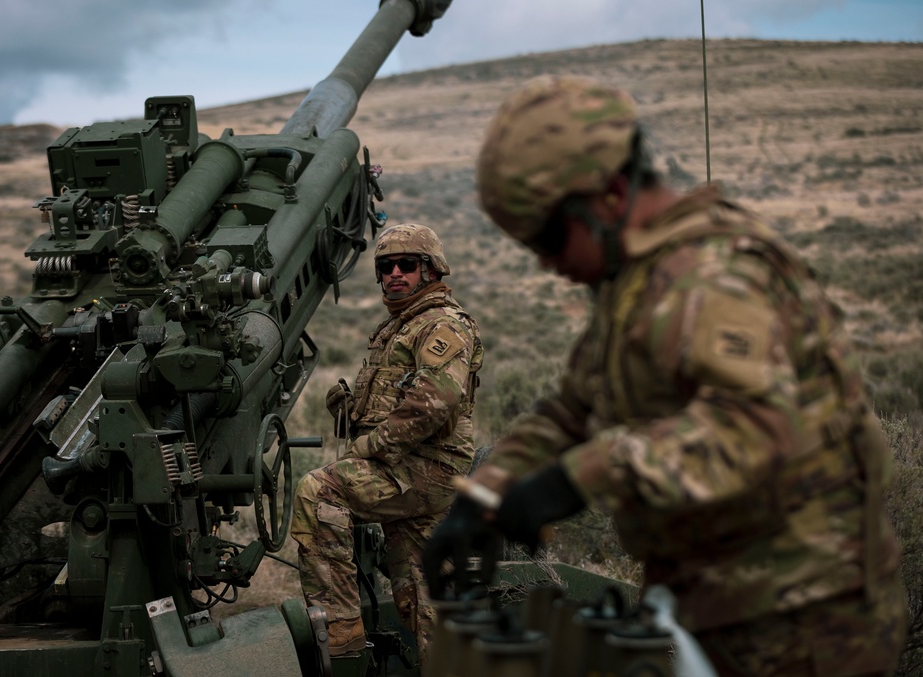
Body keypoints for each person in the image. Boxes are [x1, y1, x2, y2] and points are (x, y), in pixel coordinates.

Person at [425, 75, 907, 676]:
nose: (549, 263)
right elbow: (570, 410)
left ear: (609, 196)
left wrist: (577, 479)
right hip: (714, 605)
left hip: (806, 618)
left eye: (550, 237)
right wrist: (483, 498)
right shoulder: (635, 281)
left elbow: (752, 428)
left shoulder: (714, 275)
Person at [290, 223, 483, 663]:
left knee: (318, 492)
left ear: (431, 270)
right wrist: (351, 409)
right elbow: (395, 400)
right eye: (386, 267)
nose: (395, 273)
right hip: (408, 468)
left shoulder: (441, 324)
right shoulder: (400, 327)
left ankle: (342, 638)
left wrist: (372, 445)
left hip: (424, 468)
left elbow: (434, 402)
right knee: (421, 595)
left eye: (407, 265)